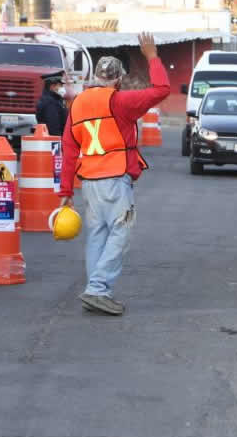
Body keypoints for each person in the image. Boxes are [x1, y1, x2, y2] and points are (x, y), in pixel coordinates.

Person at [58, 32, 169, 316]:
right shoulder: (120, 102)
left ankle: (97, 289)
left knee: (98, 234)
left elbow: (69, 149)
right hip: (115, 178)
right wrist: (153, 57)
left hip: (90, 182)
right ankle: (97, 288)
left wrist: (66, 192)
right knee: (121, 230)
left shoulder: (78, 105)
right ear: (118, 80)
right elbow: (161, 90)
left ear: (96, 77)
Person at [35, 70, 68, 136]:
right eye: (60, 85)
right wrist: (60, 141)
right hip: (53, 141)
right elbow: (53, 127)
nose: (62, 88)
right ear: (52, 86)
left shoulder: (56, 99)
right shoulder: (50, 102)